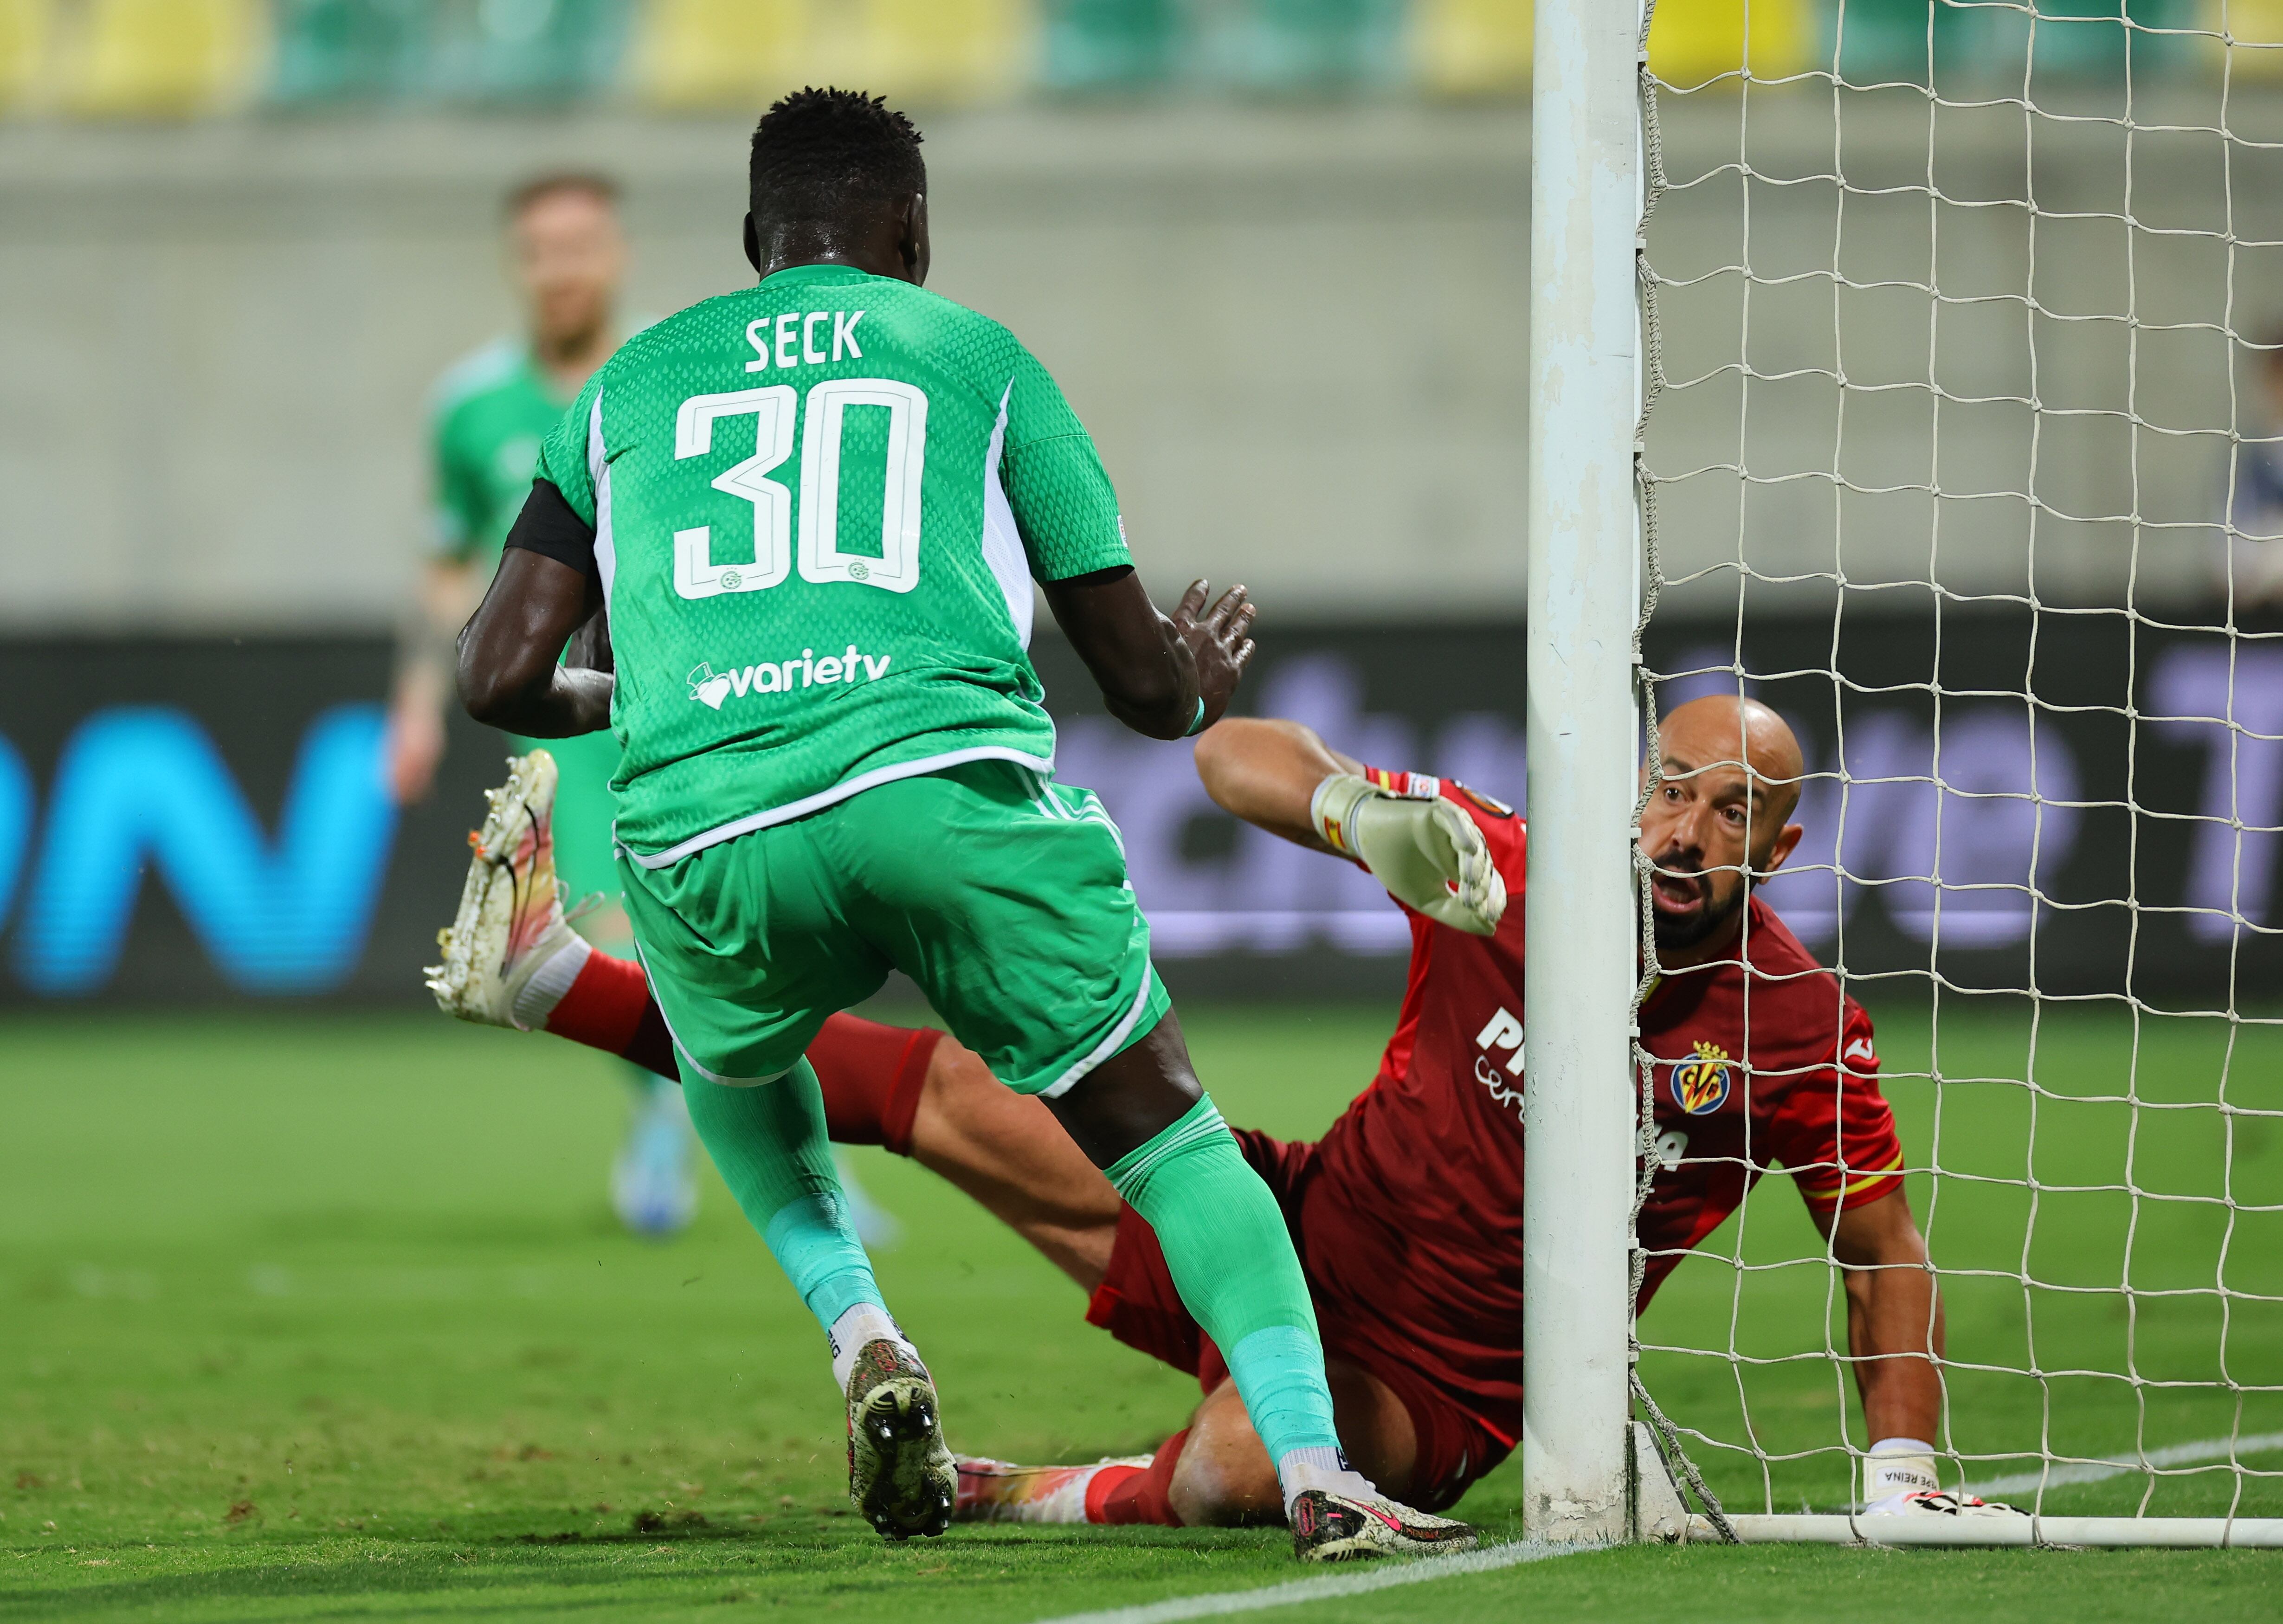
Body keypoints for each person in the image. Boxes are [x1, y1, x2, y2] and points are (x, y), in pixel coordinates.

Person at [441, 87, 1476, 1560]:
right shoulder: (979, 358)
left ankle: (861, 1324)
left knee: (734, 1065)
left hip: (706, 829)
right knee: (1171, 1134)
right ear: (912, 234)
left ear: (755, 239)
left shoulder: (619, 391)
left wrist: (668, 696)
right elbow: (1139, 687)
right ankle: (1320, 1470)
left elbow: (494, 674)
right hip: (940, 795)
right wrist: (1201, 680)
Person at [436, 694, 2020, 1528]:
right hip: (1292, 1226)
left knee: (1242, 1481)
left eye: (1734, 808)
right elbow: (1227, 757)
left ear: (1787, 847)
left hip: (1443, 1390)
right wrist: (1362, 813)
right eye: (1672, 784)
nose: (1687, 826)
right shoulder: (1504, 873)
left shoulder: (1803, 1028)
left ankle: (1032, 1491)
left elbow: (1880, 1249)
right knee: (970, 1092)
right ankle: (560, 981)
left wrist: (1897, 1469)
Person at [393, 172, 701, 1238]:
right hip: (563, 710)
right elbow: (445, 572)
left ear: (615, 253)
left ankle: (770, 1122)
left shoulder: (675, 372)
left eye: (581, 245)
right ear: (515, 263)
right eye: (541, 249)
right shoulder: (470, 408)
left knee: (725, 931)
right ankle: (671, 1111)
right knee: (602, 931)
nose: (561, 268)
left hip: (691, 694)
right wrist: (417, 704)